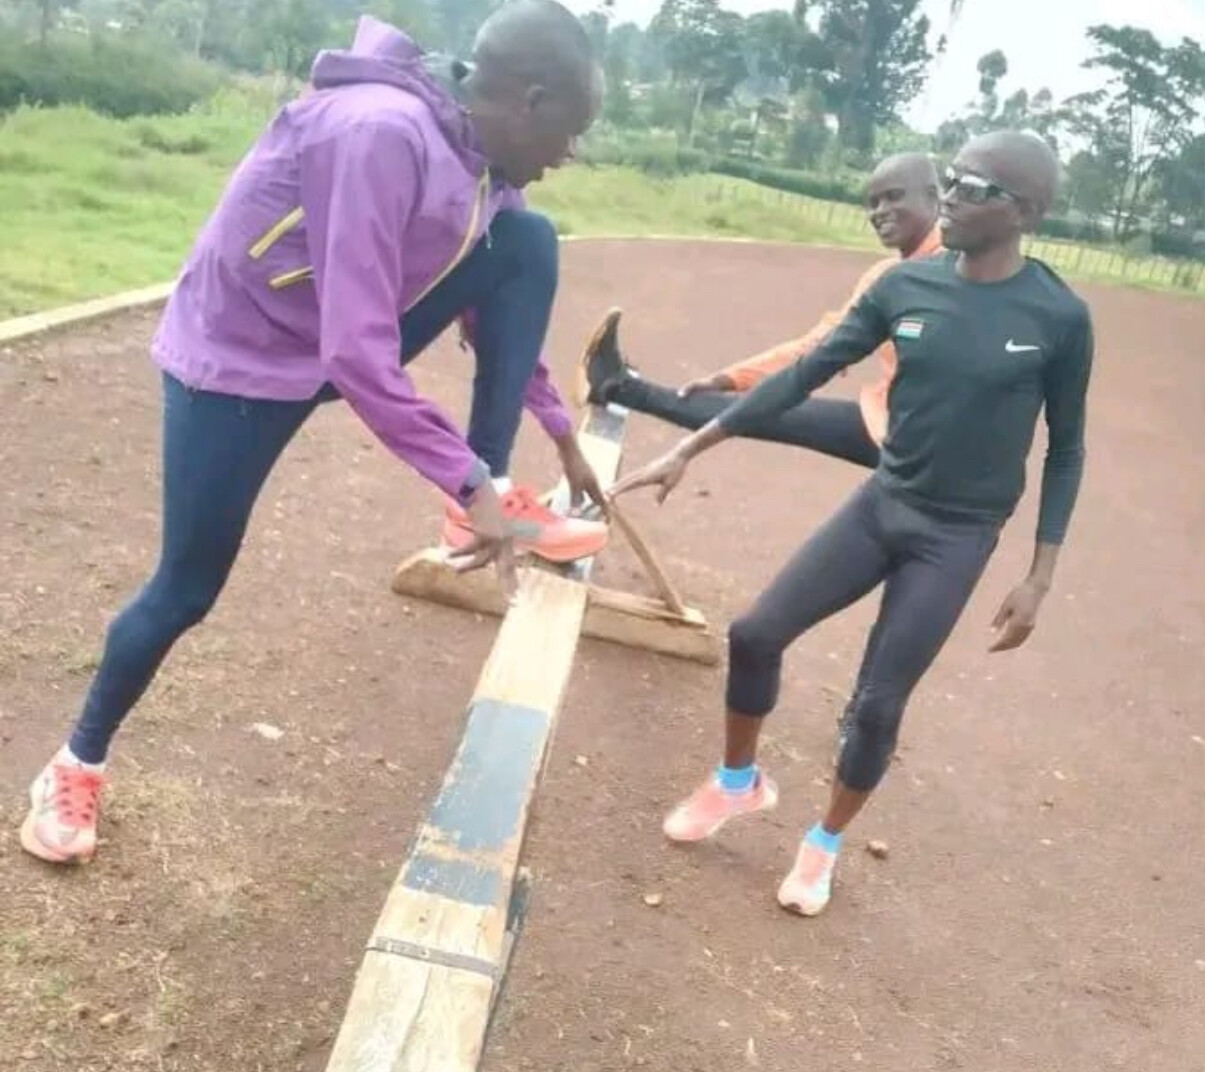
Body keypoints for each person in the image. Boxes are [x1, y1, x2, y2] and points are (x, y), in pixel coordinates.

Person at [20, 3, 608, 865]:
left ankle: (482, 491)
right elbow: (358, 351)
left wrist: (557, 432)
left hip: (329, 341)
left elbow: (492, 304)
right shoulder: (379, 133)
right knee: (186, 587)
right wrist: (465, 480)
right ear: (531, 100)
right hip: (236, 363)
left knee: (527, 240)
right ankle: (76, 764)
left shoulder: (484, 160)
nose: (571, 153)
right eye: (572, 130)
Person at [610, 131, 1094, 917]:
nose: (953, 196)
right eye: (952, 179)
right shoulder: (906, 287)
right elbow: (806, 372)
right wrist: (693, 445)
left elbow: (1066, 448)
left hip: (957, 535)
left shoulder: (1059, 317)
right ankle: (738, 783)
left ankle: (823, 844)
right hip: (884, 502)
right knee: (755, 634)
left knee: (876, 705)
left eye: (976, 188)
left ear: (1027, 213)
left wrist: (1039, 577)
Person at [577, 152, 943, 469]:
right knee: (761, 408)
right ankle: (617, 386)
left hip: (937, 451)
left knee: (766, 411)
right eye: (873, 203)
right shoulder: (886, 277)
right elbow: (818, 346)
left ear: (933, 197)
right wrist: (728, 379)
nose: (880, 212)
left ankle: (617, 386)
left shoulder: (958, 271)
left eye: (894, 197)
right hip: (891, 425)